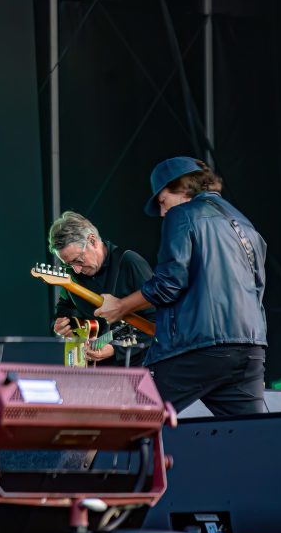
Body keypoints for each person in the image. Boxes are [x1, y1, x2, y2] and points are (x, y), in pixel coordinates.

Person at [96, 157, 267, 414]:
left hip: (199, 346)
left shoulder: (182, 214)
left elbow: (168, 284)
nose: (163, 212)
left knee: (132, 416)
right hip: (251, 348)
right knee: (252, 433)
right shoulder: (244, 222)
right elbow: (258, 287)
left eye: (162, 201)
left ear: (183, 187)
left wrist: (121, 306)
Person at [48, 211, 154, 366]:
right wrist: (61, 324)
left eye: (78, 260)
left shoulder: (129, 263)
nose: (76, 269)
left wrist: (115, 349)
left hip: (135, 367)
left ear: (92, 241)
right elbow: (65, 307)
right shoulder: (72, 273)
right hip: (93, 368)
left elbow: (158, 322)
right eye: (69, 264)